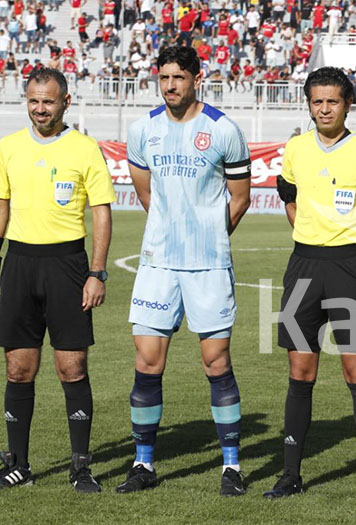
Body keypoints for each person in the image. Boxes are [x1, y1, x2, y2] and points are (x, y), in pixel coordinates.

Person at [116, 46, 252, 496]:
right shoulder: (143, 130)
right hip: (158, 263)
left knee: (216, 363)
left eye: (179, 76)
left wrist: (208, 235)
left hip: (209, 266)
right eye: (164, 77)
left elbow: (240, 198)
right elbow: (144, 191)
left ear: (197, 78)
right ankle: (143, 463)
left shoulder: (222, 130)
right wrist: (170, 232)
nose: (171, 84)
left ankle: (231, 467)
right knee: (147, 362)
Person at [266, 66, 356, 505]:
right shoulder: (295, 148)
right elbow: (289, 195)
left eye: (333, 101)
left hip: (348, 267)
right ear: (309, 104)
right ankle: (290, 475)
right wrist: (305, 231)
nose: (324, 108)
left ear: (348, 105)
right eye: (317, 101)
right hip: (304, 264)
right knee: (300, 371)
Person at [0, 68, 115, 492]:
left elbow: (101, 211)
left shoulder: (85, 149)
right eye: (33, 100)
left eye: (48, 101)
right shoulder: (8, 148)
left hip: (67, 265)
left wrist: (96, 272)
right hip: (19, 264)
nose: (40, 108)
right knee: (18, 369)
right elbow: (2, 207)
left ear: (65, 101)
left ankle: (81, 466)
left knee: (71, 367)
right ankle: (18, 463)